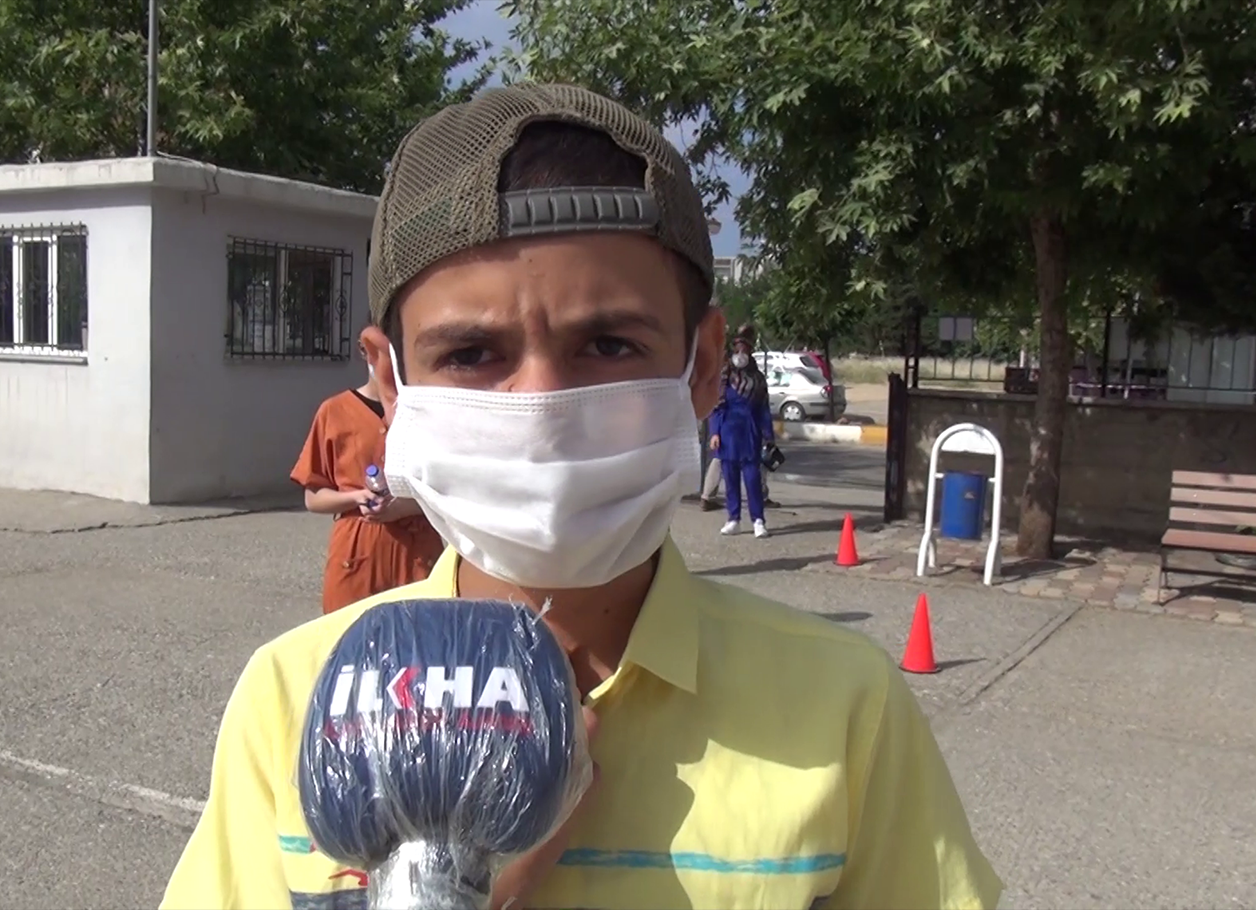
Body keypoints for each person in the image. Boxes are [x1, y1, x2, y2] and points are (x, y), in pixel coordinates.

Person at [162, 83, 1002, 910]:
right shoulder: (295, 700)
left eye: (608, 344)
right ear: (390, 379)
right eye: (471, 354)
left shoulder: (846, 711)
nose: (542, 408)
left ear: (704, 366)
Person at [289, 343, 445, 614]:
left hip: (418, 552)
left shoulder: (425, 414)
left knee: (419, 634)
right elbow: (313, 498)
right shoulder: (334, 412)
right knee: (349, 631)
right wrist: (356, 497)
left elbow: (449, 490)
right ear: (364, 352)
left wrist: (405, 507)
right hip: (357, 553)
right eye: (382, 352)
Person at [708, 326, 775, 538]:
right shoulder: (724, 377)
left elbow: (764, 408)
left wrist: (768, 434)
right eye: (737, 351)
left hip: (750, 431)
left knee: (752, 478)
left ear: (750, 353)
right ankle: (733, 519)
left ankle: (758, 520)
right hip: (728, 432)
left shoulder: (758, 379)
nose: (740, 356)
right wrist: (715, 432)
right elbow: (717, 408)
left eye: (744, 352)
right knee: (730, 478)